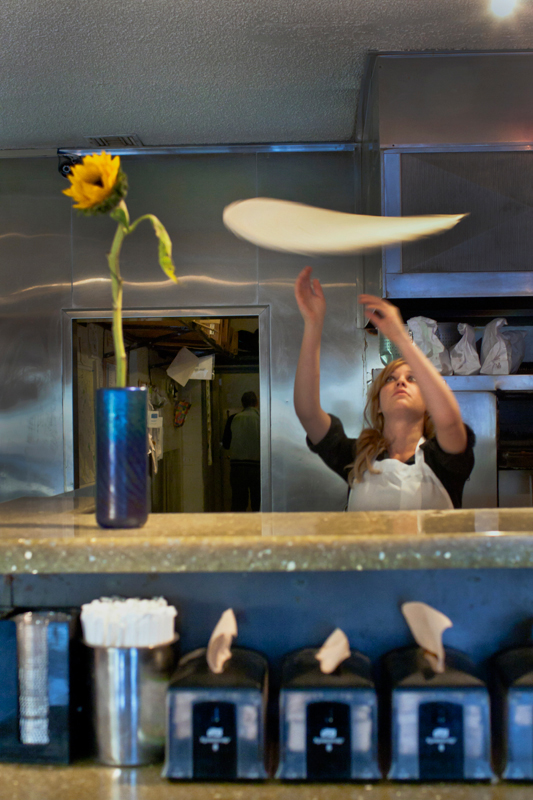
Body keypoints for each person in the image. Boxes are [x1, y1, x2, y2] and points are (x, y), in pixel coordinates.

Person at [293, 266, 475, 510]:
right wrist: (313, 324)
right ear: (378, 404)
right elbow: (307, 413)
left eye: (412, 379)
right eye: (390, 379)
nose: (401, 382)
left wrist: (401, 338)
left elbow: (450, 422)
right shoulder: (358, 457)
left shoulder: (444, 459)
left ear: (428, 403)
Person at [223, 391, 261, 512]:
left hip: (237, 468)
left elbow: (226, 444)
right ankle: (259, 524)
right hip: (258, 468)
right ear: (257, 403)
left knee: (238, 504)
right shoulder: (263, 419)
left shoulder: (233, 419)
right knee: (258, 504)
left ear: (242, 404)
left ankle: (238, 524)